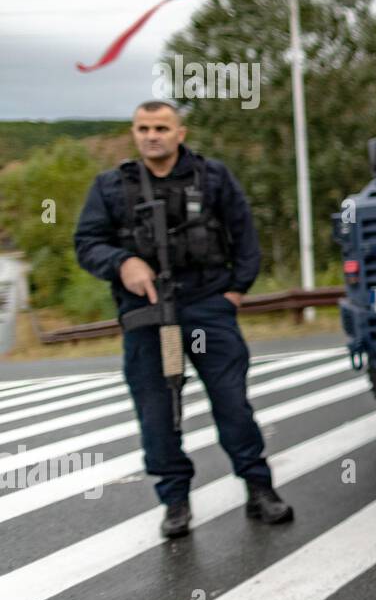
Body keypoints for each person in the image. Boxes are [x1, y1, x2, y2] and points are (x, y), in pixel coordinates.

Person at [74, 100, 293, 539]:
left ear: (180, 133)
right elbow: (87, 242)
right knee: (158, 409)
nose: (151, 135)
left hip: (206, 306)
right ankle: (175, 500)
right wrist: (122, 263)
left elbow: (244, 232)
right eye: (142, 128)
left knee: (231, 400)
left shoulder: (212, 177)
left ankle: (258, 488)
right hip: (149, 312)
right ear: (134, 133)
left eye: (160, 127)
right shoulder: (112, 186)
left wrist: (235, 290)